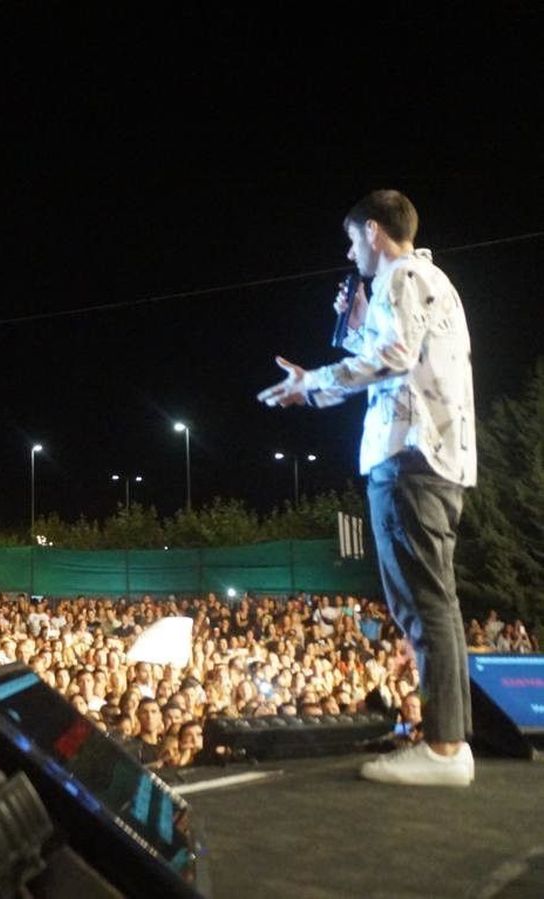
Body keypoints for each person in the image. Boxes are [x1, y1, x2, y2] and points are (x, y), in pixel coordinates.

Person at [259, 189, 478, 787]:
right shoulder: (431, 279)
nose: (351, 252)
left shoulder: (401, 274)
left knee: (423, 604)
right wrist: (349, 338)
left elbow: (396, 357)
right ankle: (448, 738)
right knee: (435, 602)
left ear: (375, 233)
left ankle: (443, 749)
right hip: (433, 457)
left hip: (409, 456)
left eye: (353, 239)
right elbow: (398, 361)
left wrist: (320, 378)